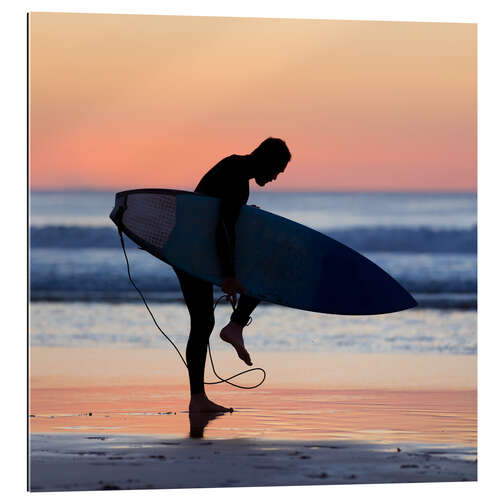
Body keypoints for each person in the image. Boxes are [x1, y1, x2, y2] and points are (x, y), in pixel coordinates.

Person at [173, 137, 291, 413]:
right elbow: (222, 228)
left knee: (205, 320)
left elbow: (223, 216)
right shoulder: (236, 177)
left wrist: (245, 215)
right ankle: (199, 397)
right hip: (193, 252)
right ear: (266, 160)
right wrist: (228, 275)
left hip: (195, 248)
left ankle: (234, 328)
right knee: (203, 321)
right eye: (276, 171)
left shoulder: (236, 171)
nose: (274, 178)